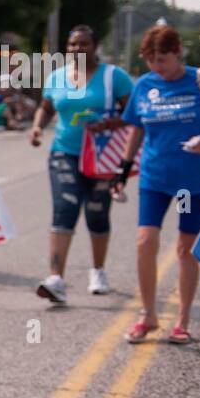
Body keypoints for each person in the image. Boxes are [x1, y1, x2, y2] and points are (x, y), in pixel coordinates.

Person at [113, 25, 200, 344]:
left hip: (189, 183)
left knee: (183, 248)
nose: (157, 67)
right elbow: (137, 130)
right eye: (151, 60)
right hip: (154, 177)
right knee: (145, 240)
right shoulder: (145, 85)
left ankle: (182, 319)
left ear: (178, 52)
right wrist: (123, 170)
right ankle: (148, 315)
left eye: (163, 59)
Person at [29, 25, 135, 304]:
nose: (77, 49)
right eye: (72, 44)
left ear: (95, 46)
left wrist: (110, 123)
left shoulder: (115, 77)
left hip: (103, 156)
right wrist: (38, 128)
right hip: (65, 152)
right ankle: (56, 279)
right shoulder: (57, 77)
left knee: (97, 214)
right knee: (65, 208)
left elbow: (135, 113)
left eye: (83, 44)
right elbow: (47, 107)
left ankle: (98, 271)